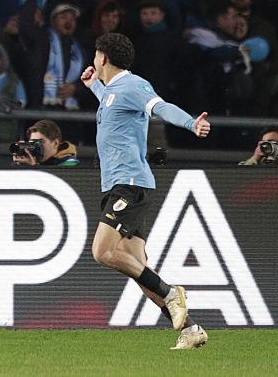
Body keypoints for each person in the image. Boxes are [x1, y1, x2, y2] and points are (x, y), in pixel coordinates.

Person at [79, 33, 210, 350]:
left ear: (103, 58)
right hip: (118, 185)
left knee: (101, 251)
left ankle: (170, 292)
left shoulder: (133, 85)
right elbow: (114, 110)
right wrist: (94, 87)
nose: (95, 60)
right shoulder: (113, 91)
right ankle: (191, 329)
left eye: (96, 55)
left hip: (131, 184)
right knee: (138, 268)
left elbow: (159, 107)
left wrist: (191, 123)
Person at [10, 119, 79, 167]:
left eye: (40, 142)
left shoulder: (71, 163)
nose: (35, 146)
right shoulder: (37, 160)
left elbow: (55, 184)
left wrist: (33, 168)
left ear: (55, 143)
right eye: (32, 142)